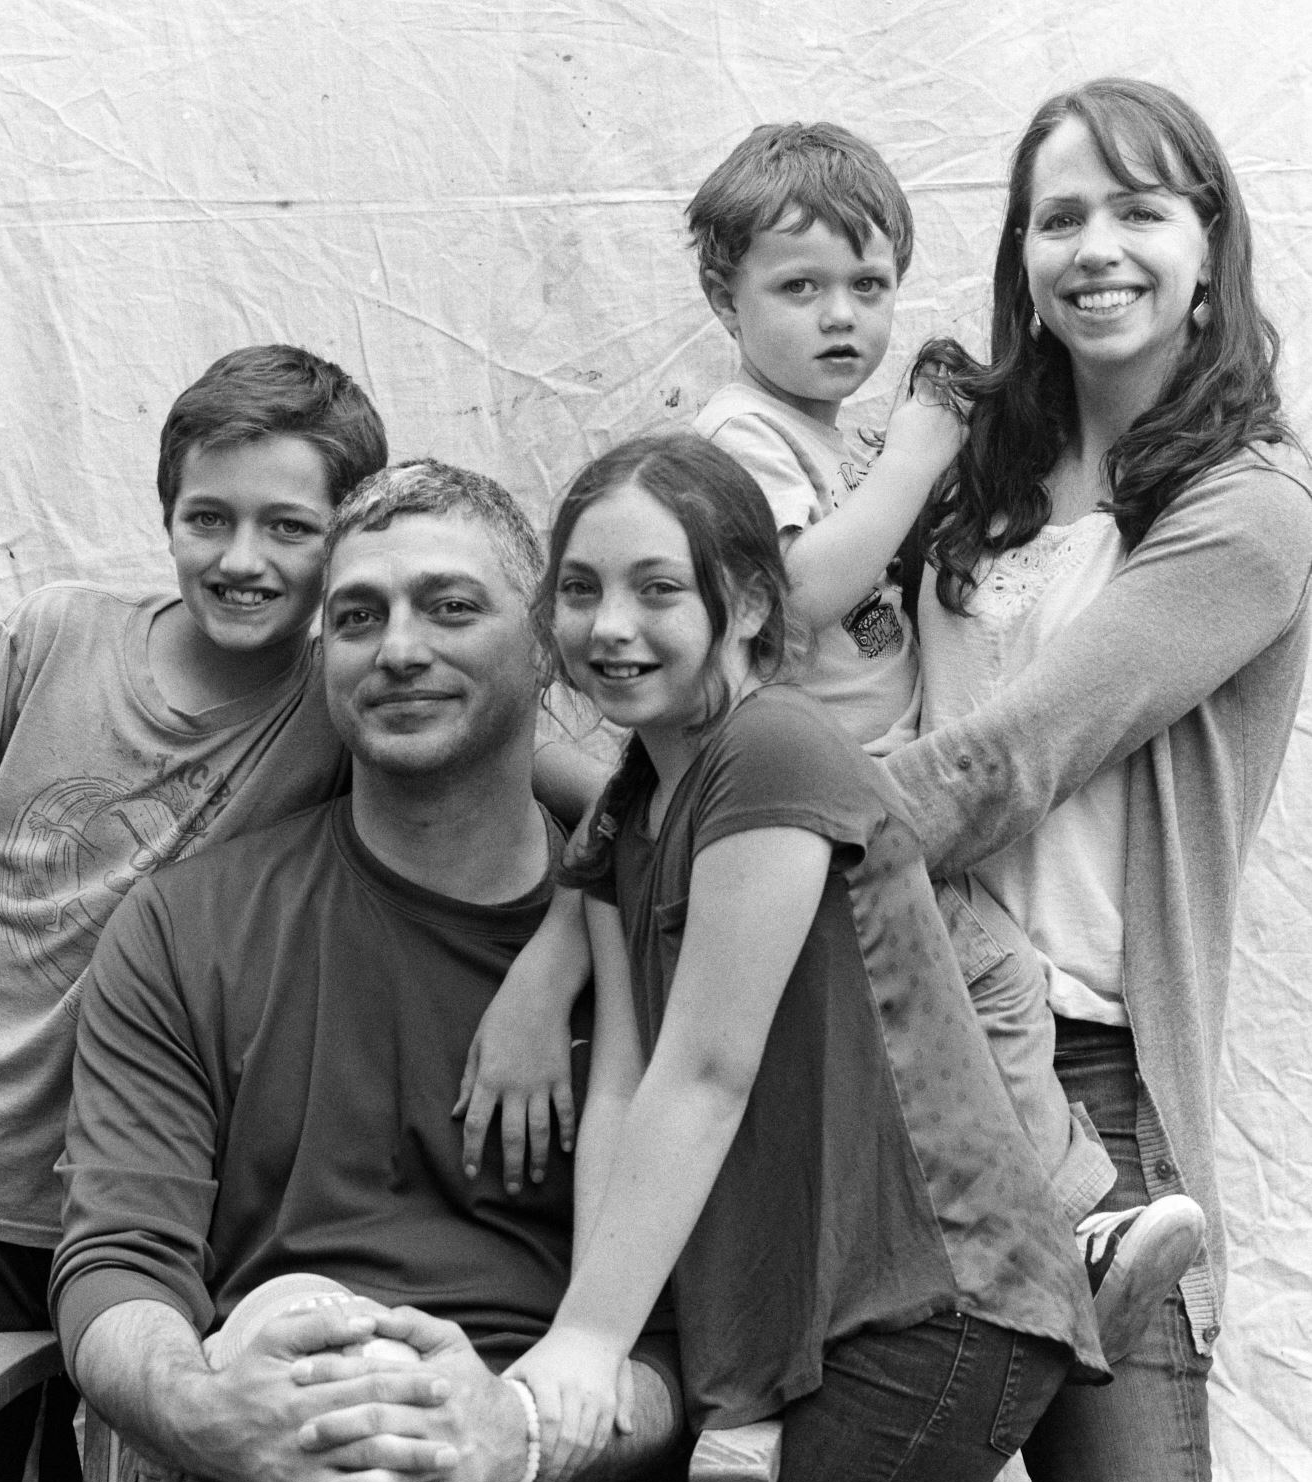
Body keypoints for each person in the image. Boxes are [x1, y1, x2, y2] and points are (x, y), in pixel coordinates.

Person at [459, 118, 1199, 1361]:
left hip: (858, 797)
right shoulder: (742, 439)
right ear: (724, 299)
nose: (842, 317)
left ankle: (975, 1247)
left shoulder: (830, 437)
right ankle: (1065, 1221)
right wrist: (917, 454)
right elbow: (794, 597)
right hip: (816, 806)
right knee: (997, 989)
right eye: (800, 289)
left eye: (869, 286)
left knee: (939, 1028)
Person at [0, 345, 387, 1482]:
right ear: (166, 514)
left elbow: (530, 784)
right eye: (209, 517)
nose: (241, 558)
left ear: (348, 537)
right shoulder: (56, 634)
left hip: (27, 1212)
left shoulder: (343, 704)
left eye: (289, 527)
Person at [48, 462, 685, 1482]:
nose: (398, 649)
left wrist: (514, 1440)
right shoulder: (184, 927)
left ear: (546, 646)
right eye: (356, 617)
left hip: (540, 1437)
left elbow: (693, 1342)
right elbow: (120, 1261)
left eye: (451, 607)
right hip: (270, 1435)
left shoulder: (663, 945)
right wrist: (214, 1416)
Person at [503, 430, 1105, 1482]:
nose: (610, 625)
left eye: (657, 588)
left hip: (933, 1305)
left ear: (744, 606)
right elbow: (623, 1089)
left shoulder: (772, 747)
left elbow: (706, 1072)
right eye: (582, 589)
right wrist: (595, 1338)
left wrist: (591, 1337)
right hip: (801, 1330)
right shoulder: (628, 814)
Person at [884, 78, 1312, 1482]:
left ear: (1209, 245)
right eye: (1059, 217)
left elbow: (1009, 762)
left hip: (1084, 1078)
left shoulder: (1248, 508)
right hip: (894, 1037)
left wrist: (750, 832)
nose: (1097, 248)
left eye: (1140, 211)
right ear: (1021, 254)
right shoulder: (972, 468)